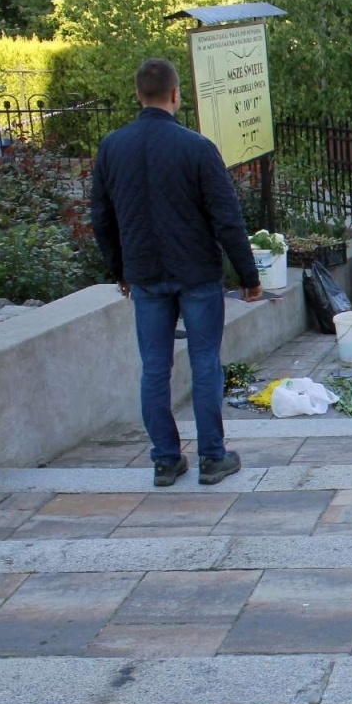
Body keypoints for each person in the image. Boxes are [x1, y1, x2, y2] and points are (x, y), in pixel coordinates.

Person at [90, 57, 261, 488]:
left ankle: (165, 460)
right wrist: (248, 274)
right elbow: (227, 218)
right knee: (205, 364)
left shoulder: (112, 147)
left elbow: (102, 217)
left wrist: (119, 270)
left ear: (137, 95)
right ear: (175, 94)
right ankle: (212, 458)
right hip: (197, 273)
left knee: (154, 368)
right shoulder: (197, 148)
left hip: (145, 274)